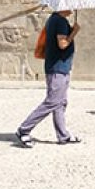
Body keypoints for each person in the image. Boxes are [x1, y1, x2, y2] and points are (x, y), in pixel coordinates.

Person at [15, 10, 82, 148]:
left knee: (60, 103)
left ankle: (63, 135)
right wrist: (74, 32)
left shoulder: (54, 19)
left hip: (59, 68)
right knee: (52, 102)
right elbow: (62, 44)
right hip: (58, 68)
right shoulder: (60, 21)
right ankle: (24, 129)